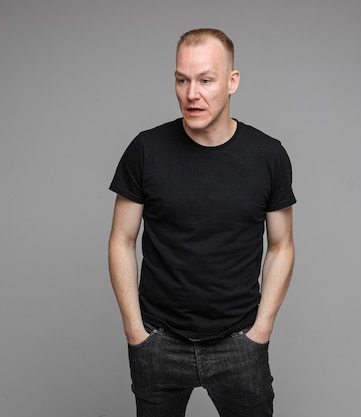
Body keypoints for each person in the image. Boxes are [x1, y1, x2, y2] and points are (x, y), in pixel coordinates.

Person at [108, 28, 296, 417]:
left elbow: (282, 245)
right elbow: (121, 240)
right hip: (159, 341)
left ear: (232, 82)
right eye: (182, 80)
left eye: (206, 80)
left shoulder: (268, 156)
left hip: (238, 341)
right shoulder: (146, 150)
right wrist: (134, 331)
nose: (191, 94)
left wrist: (260, 332)